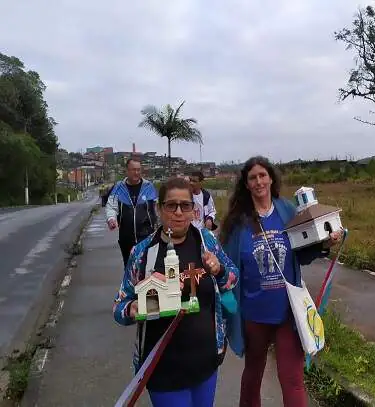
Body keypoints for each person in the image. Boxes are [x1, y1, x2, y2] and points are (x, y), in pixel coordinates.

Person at [218, 156, 343, 407]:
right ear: (246, 183)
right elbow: (228, 269)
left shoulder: (288, 211)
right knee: (252, 375)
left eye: (262, 175)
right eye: (252, 177)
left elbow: (303, 253)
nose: (258, 181)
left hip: (288, 312)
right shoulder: (237, 222)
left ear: (271, 178)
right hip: (254, 314)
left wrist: (325, 245)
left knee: (292, 379)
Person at [112, 177, 238, 407]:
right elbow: (119, 308)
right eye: (171, 205)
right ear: (159, 209)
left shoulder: (206, 241)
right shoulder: (142, 253)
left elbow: (232, 278)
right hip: (163, 371)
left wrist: (219, 270)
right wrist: (133, 308)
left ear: (193, 211)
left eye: (185, 206)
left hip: (206, 365)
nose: (178, 212)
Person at [106, 158, 158, 266]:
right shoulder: (118, 188)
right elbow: (111, 207)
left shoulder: (149, 187)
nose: (136, 172)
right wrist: (111, 219)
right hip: (126, 237)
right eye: (133, 169)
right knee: (129, 267)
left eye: (139, 169)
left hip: (146, 236)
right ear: (127, 171)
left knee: (146, 267)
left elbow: (158, 208)